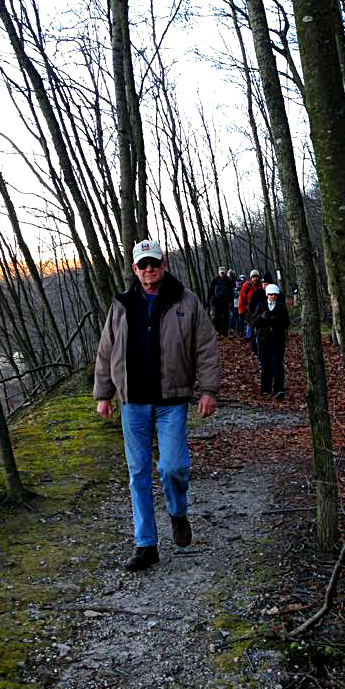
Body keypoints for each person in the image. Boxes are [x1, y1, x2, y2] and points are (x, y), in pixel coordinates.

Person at [94, 239, 221, 571]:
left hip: (171, 401)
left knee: (173, 467)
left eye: (154, 263)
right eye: (143, 265)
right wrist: (103, 394)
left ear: (164, 264)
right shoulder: (122, 304)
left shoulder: (186, 300)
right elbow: (106, 350)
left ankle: (177, 512)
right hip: (132, 402)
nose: (149, 269)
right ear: (135, 270)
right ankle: (146, 544)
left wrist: (208, 390)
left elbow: (206, 346)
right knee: (138, 473)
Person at [251, 283, 290, 400]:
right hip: (264, 339)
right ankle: (265, 389)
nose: (273, 297)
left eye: (275, 295)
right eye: (271, 294)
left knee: (277, 364)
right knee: (265, 364)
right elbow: (252, 322)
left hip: (278, 340)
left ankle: (279, 389)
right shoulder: (261, 306)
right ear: (267, 295)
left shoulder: (281, 307)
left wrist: (277, 319)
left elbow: (286, 322)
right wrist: (261, 317)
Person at [238, 270, 262, 344]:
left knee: (258, 323)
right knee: (250, 323)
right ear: (251, 278)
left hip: (259, 308)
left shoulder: (261, 285)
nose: (255, 279)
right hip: (248, 308)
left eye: (257, 277)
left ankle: (258, 337)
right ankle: (248, 337)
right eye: (253, 277)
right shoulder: (246, 286)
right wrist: (241, 310)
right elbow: (241, 298)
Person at [208, 266, 232, 337]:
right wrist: (208, 299)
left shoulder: (228, 281)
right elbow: (211, 291)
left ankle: (225, 332)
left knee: (225, 316)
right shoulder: (215, 280)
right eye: (221, 273)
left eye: (223, 273)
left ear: (225, 273)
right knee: (217, 316)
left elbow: (231, 293)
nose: (222, 274)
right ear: (219, 272)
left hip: (225, 301)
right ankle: (217, 331)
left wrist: (232, 304)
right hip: (217, 301)